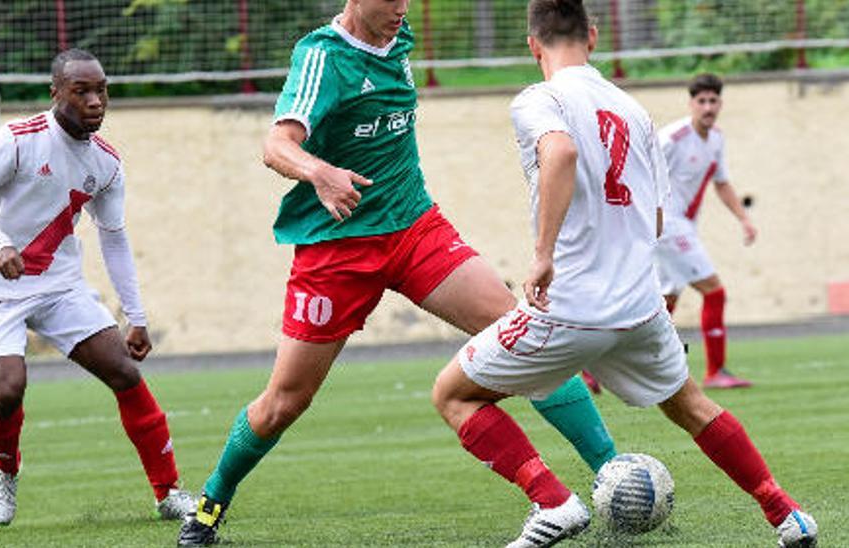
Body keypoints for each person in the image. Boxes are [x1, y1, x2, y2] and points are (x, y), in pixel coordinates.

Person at [179, 1, 617, 544]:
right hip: (336, 250)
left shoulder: (399, 33)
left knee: (524, 336)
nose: (402, 9)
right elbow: (277, 145)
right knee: (284, 403)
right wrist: (320, 173)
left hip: (414, 228)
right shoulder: (323, 56)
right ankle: (210, 505)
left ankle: (611, 479)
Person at [429, 2, 817, 547]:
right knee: (693, 406)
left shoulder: (539, 100)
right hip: (640, 307)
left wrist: (542, 254)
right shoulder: (635, 112)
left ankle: (554, 502)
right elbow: (656, 216)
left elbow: (559, 151)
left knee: (453, 395)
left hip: (568, 307)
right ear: (592, 36)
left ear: (532, 45)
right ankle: (787, 514)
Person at [0, 48, 192, 526]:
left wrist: (135, 316)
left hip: (60, 289)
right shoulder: (18, 140)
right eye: (82, 91)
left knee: (124, 372)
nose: (95, 101)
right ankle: (5, 472)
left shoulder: (107, 164)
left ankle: (168, 492)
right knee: (9, 387)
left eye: (102, 90)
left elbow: (114, 240)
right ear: (56, 93)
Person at [656, 73, 758, 388]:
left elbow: (722, 183)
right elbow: (641, 170)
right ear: (691, 104)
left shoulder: (716, 139)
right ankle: (715, 371)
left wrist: (744, 218)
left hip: (683, 226)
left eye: (713, 100)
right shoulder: (672, 137)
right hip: (667, 225)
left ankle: (599, 369)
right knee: (715, 291)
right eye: (701, 101)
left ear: (720, 104)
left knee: (663, 302)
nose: (708, 107)